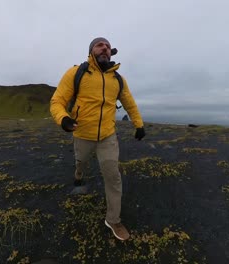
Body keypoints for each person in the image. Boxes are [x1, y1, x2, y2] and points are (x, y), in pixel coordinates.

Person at [50, 37, 145, 241]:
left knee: (113, 176)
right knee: (81, 161)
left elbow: (130, 103)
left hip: (107, 137)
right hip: (82, 133)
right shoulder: (76, 73)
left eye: (108, 46)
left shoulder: (118, 80)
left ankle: (113, 220)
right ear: (91, 50)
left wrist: (139, 124)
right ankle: (78, 172)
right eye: (100, 45)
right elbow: (57, 101)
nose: (105, 48)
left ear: (112, 53)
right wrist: (63, 119)